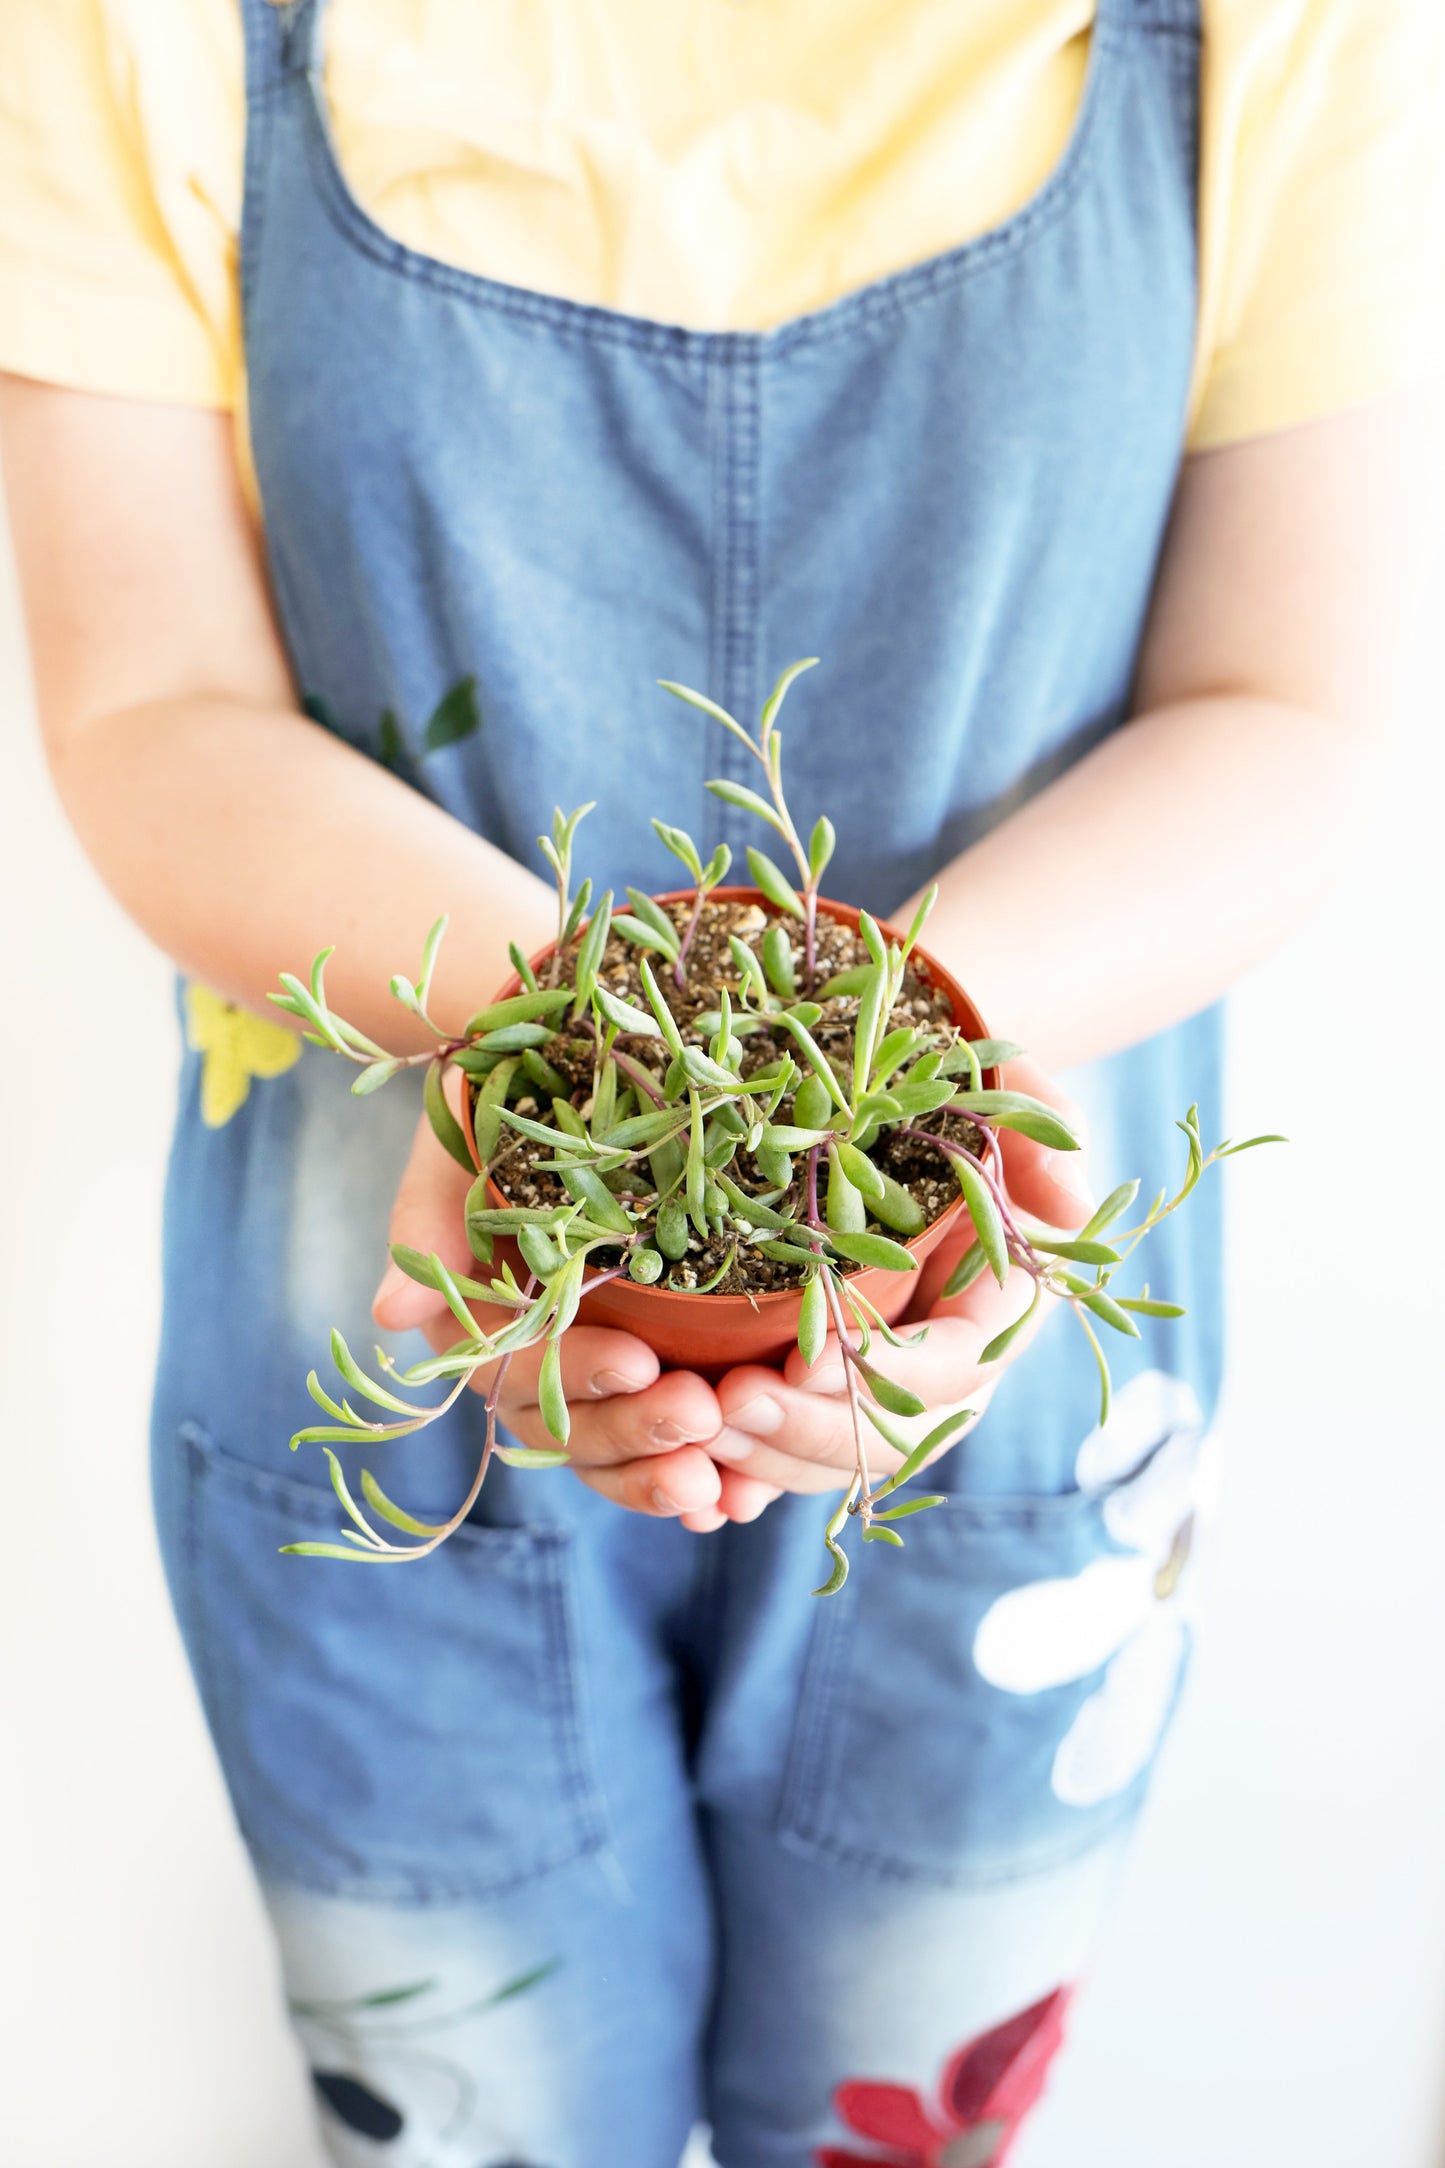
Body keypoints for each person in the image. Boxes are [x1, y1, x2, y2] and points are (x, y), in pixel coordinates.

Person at [0, 2, 1437, 2162]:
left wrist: (895, 1094)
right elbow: (151, 704)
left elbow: (1290, 700)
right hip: (395, 1354)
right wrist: (554, 1041)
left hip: (1007, 1371)